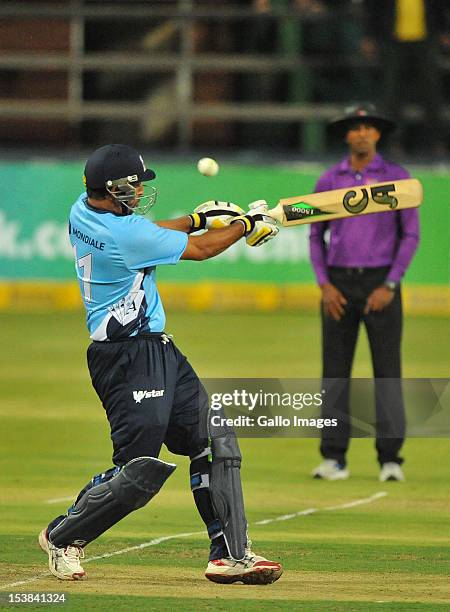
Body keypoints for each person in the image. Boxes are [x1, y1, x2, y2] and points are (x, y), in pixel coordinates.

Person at [39, 144, 282, 585]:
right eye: (134, 184)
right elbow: (203, 251)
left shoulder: (84, 211)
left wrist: (194, 219)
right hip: (127, 356)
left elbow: (152, 231)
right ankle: (63, 536)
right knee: (138, 471)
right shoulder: (125, 236)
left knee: (213, 437)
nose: (139, 190)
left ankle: (230, 554)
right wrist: (247, 224)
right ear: (112, 188)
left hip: (156, 348)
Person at [309, 104, 420, 482]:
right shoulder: (329, 180)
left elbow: (411, 235)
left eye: (367, 127)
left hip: (381, 285)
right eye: (354, 127)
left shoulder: (397, 179)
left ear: (377, 134)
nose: (360, 133)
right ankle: (334, 458)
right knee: (335, 372)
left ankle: (390, 458)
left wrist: (390, 283)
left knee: (387, 371)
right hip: (338, 284)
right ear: (346, 135)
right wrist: (324, 284)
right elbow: (315, 235)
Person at [361, 0, 449, 155]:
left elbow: (439, 7)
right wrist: (369, 36)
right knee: (392, 94)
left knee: (432, 93)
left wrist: (443, 31)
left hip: (426, 39)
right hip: (393, 40)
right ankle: (395, 142)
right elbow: (374, 9)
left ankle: (437, 142)